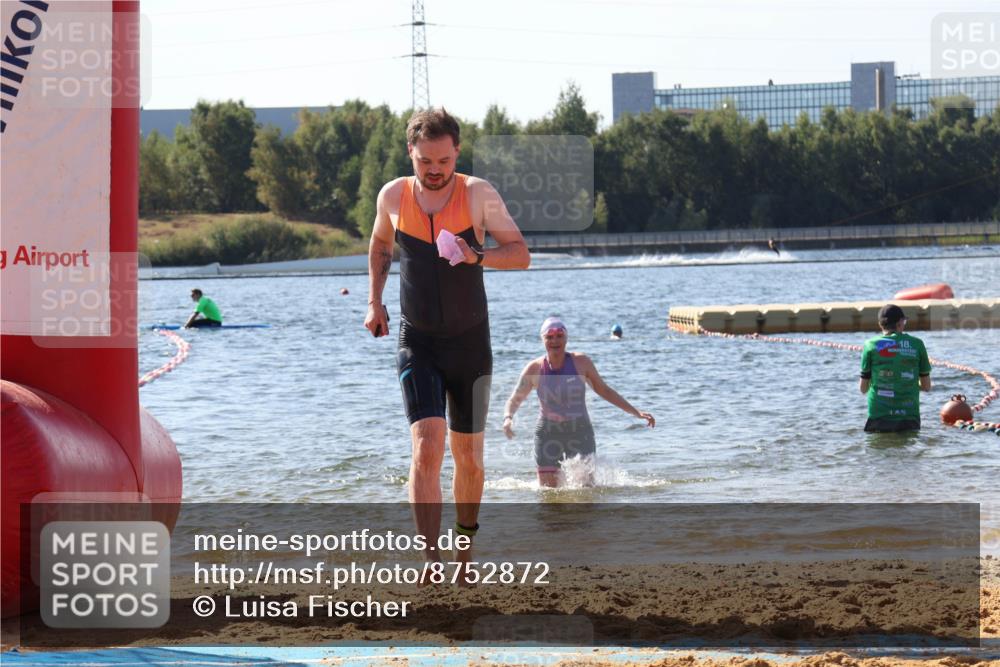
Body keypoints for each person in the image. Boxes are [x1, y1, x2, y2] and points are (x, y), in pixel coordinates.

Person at [364, 108, 530, 576]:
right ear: (410, 154)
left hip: (470, 345)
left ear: (456, 151)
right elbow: (380, 246)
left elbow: (521, 254)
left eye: (443, 160)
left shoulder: (478, 195)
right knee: (427, 444)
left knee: (469, 460)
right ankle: (431, 558)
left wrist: (479, 255)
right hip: (418, 341)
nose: (434, 170)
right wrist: (374, 302)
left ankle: (464, 551)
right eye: (425, 161)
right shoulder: (393, 196)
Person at [502, 317, 655, 487]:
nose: (555, 341)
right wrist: (508, 417)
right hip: (547, 433)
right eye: (549, 337)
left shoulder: (581, 362)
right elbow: (515, 398)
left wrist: (636, 412)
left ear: (566, 338)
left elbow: (604, 390)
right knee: (548, 496)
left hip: (580, 432)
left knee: (586, 493)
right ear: (542, 340)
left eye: (559, 335)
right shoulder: (535, 368)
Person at [859, 304, 931, 432]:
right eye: (904, 321)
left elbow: (863, 389)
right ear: (899, 323)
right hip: (909, 416)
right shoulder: (917, 344)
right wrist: (907, 385)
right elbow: (926, 387)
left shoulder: (870, 345)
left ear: (880, 325)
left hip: (879, 415)